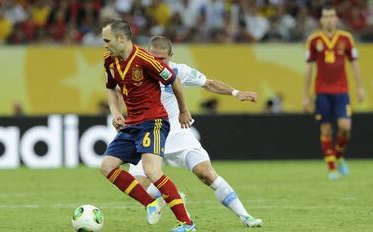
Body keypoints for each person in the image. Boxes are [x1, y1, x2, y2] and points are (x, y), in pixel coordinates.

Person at [128, 36, 263, 228]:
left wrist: (236, 93)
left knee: (205, 172)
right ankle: (170, 197)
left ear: (171, 56)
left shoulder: (178, 71)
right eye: (153, 58)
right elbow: (116, 90)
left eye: (162, 59)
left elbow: (208, 83)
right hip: (148, 134)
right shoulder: (137, 72)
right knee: (138, 186)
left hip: (175, 133)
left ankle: (245, 216)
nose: (157, 63)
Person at [100, 19, 196, 232]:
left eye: (107, 40)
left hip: (153, 121)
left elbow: (174, 81)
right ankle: (151, 203)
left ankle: (187, 224)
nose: (104, 45)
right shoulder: (109, 59)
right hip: (131, 122)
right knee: (107, 167)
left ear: (121, 39)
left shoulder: (146, 60)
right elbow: (110, 87)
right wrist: (116, 113)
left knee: (151, 170)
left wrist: (183, 110)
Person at [303, 5, 365, 180]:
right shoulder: (314, 40)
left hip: (341, 90)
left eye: (332, 16)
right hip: (322, 91)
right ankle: (332, 168)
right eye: (326, 16)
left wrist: (360, 88)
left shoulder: (346, 38)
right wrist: (306, 96)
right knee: (326, 130)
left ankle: (337, 156)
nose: (329, 19)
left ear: (337, 19)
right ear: (321, 19)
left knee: (345, 128)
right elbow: (308, 68)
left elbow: (354, 64)